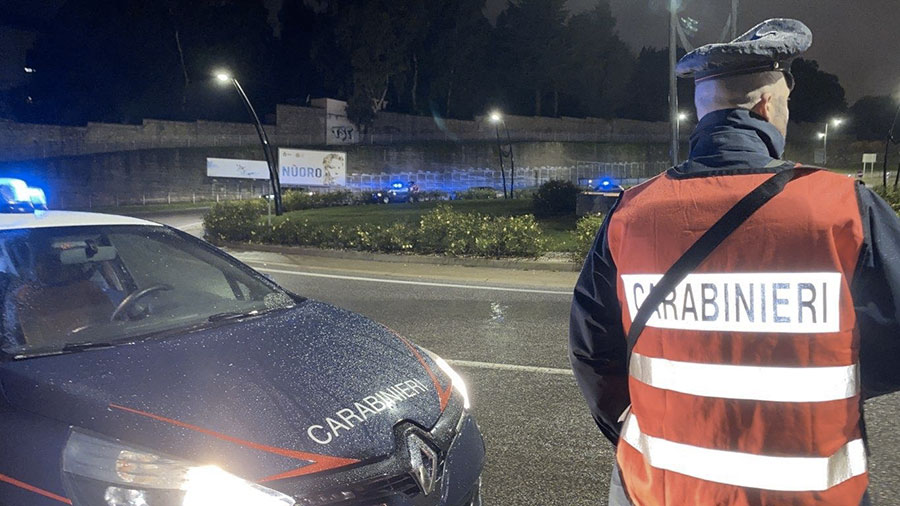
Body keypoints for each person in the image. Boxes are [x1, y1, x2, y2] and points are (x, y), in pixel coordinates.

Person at [569, 18, 899, 506]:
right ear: (767, 105)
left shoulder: (629, 213)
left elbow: (593, 352)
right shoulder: (843, 207)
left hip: (660, 490)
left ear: (704, 110)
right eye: (785, 104)